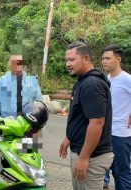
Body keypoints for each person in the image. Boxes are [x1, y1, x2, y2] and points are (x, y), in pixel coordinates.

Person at [59, 41, 113, 190]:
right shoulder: (82, 81)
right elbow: (81, 116)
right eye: (66, 60)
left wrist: (83, 158)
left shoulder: (91, 84)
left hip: (91, 156)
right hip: (83, 151)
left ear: (86, 59)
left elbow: (96, 123)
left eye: (72, 60)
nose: (67, 64)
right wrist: (68, 137)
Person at [102, 45, 131, 190]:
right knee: (108, 169)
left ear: (118, 59)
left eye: (108, 58)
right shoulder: (106, 80)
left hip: (121, 134)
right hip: (106, 133)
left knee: (122, 173)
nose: (104, 61)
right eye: (103, 59)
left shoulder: (127, 79)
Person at [0, 54, 42, 119]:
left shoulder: (32, 81)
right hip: (7, 123)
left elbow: (39, 104)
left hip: (28, 122)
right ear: (10, 64)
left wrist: (39, 126)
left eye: (20, 62)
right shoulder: (2, 81)